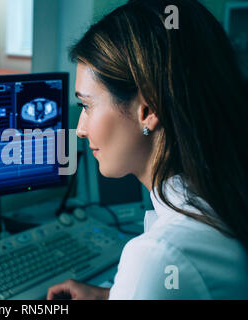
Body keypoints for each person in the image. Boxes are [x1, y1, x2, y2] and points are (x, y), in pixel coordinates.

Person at [47, 0, 248, 300]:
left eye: (87, 105)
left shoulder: (159, 257)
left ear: (148, 108)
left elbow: (165, 267)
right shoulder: (220, 201)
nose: (81, 129)